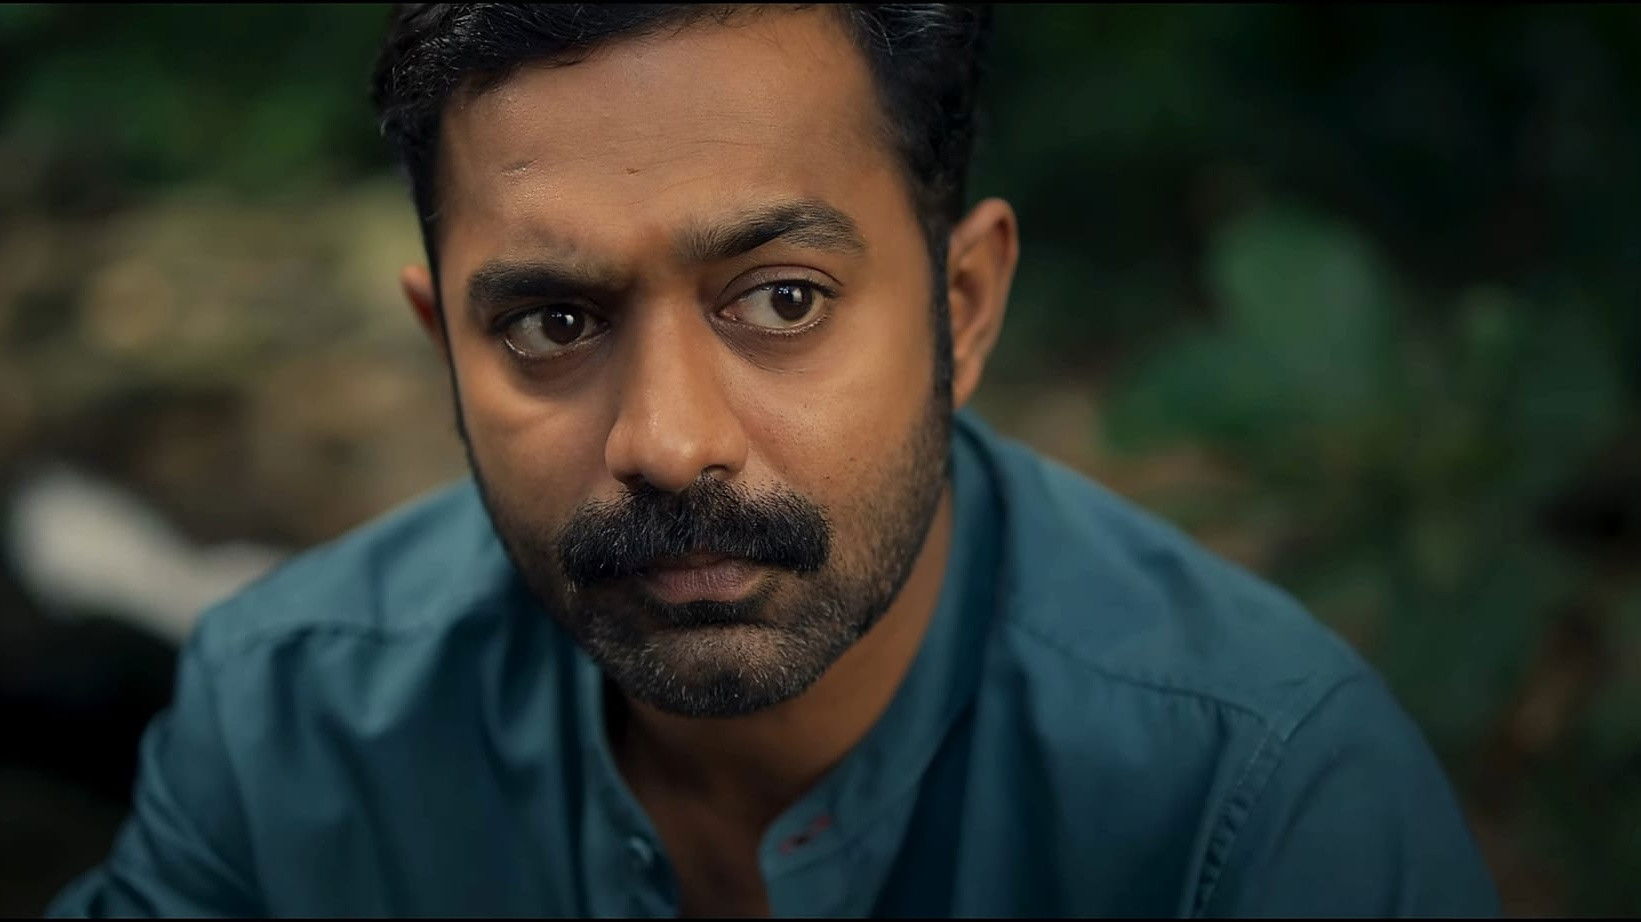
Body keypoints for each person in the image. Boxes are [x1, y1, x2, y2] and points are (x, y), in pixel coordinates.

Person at [49, 4, 1499, 916]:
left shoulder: (1255, 812)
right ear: (446, 349)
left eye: (783, 300)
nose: (669, 441)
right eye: (552, 323)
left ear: (960, 306)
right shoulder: (288, 730)